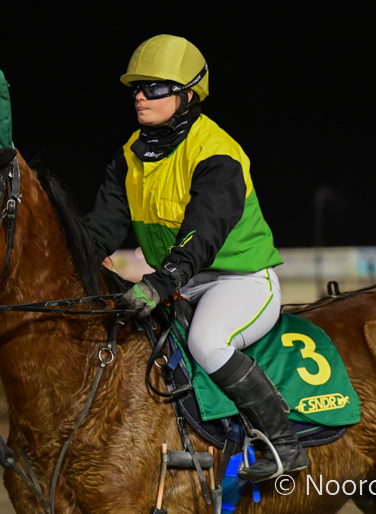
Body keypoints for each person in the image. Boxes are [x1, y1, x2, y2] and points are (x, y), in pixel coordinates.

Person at [84, 34, 309, 482]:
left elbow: (202, 233)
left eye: (154, 88)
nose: (141, 96)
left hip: (241, 282)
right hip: (181, 284)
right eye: (137, 88)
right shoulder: (129, 155)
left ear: (187, 95)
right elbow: (103, 228)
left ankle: (285, 445)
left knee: (207, 341)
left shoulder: (216, 152)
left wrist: (161, 281)